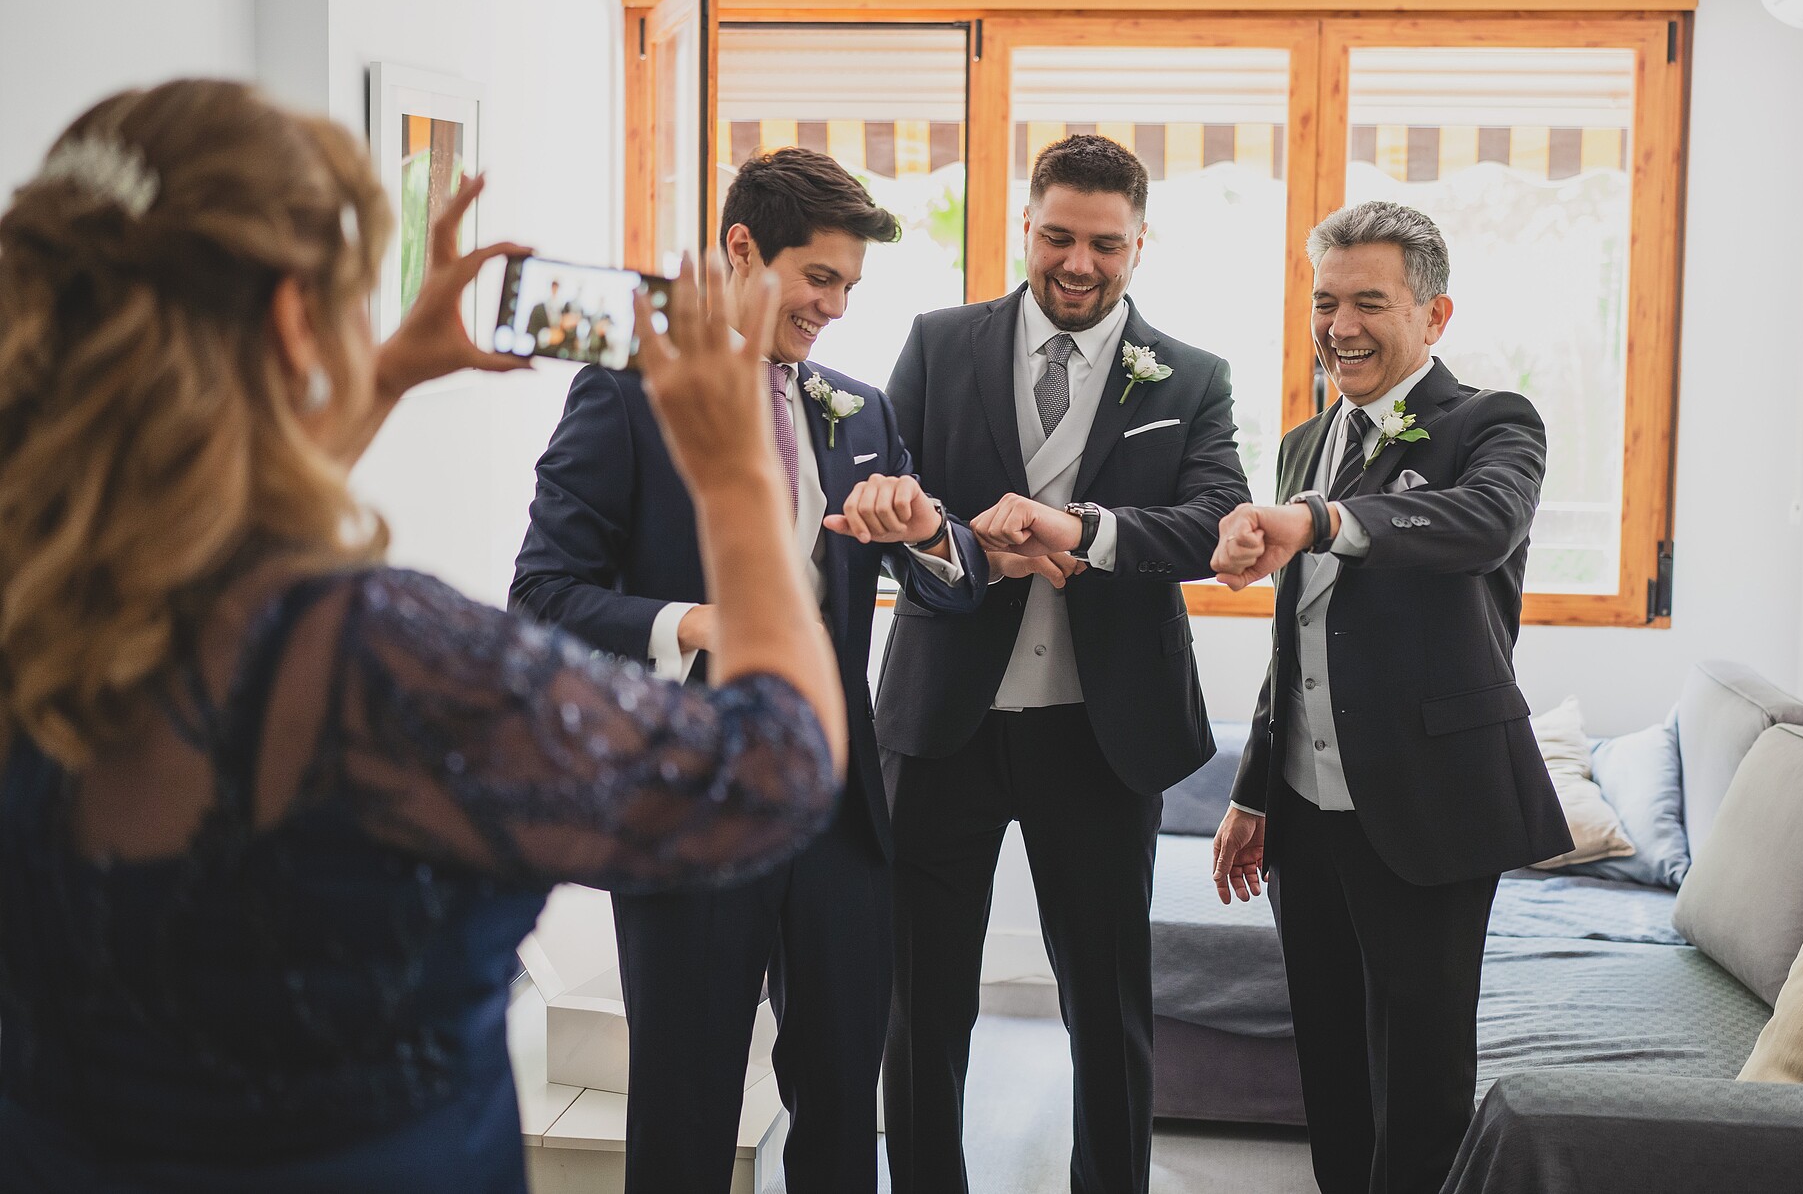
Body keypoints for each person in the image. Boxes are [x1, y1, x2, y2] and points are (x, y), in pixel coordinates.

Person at [0, 79, 847, 1194]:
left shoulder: (47, 602)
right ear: (296, 321)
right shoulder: (388, 663)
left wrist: (393, 367)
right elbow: (777, 769)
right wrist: (737, 474)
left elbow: (193, 546)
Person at [511, 146, 985, 1194]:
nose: (835, 308)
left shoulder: (858, 411)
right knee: (685, 1102)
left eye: (850, 288)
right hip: (688, 799)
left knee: (837, 1097)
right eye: (819, 279)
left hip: (839, 810)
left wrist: (927, 533)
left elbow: (955, 589)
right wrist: (696, 623)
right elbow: (542, 593)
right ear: (741, 248)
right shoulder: (627, 393)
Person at [877, 134, 1250, 1194]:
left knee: (1106, 1001)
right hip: (940, 723)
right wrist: (957, 540)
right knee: (923, 1000)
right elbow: (891, 496)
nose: (1076, 263)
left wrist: (1081, 530)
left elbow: (1213, 522)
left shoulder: (1192, 376)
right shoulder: (938, 343)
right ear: (1023, 224)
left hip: (1101, 733)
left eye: (1102, 244)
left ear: (1139, 243)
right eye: (1055, 237)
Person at [1207, 200, 1572, 1194]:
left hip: (1429, 802)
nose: (1340, 326)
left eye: (1368, 302)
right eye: (1325, 302)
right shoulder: (1298, 445)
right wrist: (1250, 794)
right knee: (1324, 1060)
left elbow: (1479, 527)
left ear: (1433, 314)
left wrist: (1319, 517)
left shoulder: (1490, 423)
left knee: (1416, 1077)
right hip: (1306, 815)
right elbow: (1294, 647)